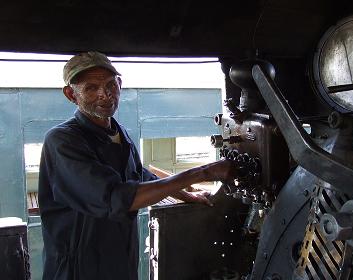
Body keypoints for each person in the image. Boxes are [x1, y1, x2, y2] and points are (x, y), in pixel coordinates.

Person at [38, 51, 236, 280]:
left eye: (110, 84)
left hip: (119, 260)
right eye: (91, 88)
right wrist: (204, 172)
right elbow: (115, 197)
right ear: (71, 94)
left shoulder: (116, 131)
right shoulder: (63, 140)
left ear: (120, 84)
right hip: (80, 267)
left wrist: (185, 195)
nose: (105, 95)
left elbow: (139, 175)